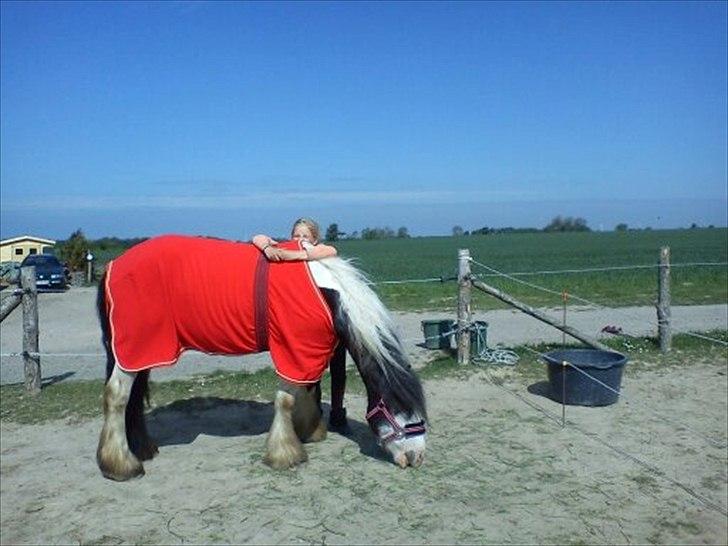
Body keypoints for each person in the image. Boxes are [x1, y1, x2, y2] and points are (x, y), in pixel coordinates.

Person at [252, 218, 349, 433]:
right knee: (313, 371)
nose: (300, 240)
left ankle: (338, 412)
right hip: (310, 324)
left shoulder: (320, 254)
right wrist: (268, 248)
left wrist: (294, 254)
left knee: (338, 370)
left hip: (334, 320)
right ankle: (314, 413)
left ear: (315, 239)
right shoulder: (285, 253)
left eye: (306, 236)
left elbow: (331, 250)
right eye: (296, 236)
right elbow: (257, 237)